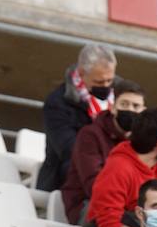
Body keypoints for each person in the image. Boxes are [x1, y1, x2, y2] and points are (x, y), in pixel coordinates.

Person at [60, 79, 145, 224]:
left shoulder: (142, 141)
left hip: (128, 208)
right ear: (113, 107)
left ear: (143, 111)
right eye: (124, 104)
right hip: (89, 205)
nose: (130, 110)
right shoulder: (90, 135)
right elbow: (93, 185)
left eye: (136, 106)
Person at [36, 43, 118, 193]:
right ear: (81, 73)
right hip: (66, 178)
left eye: (109, 81)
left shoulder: (120, 94)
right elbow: (69, 149)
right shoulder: (58, 102)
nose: (106, 86)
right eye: (99, 82)